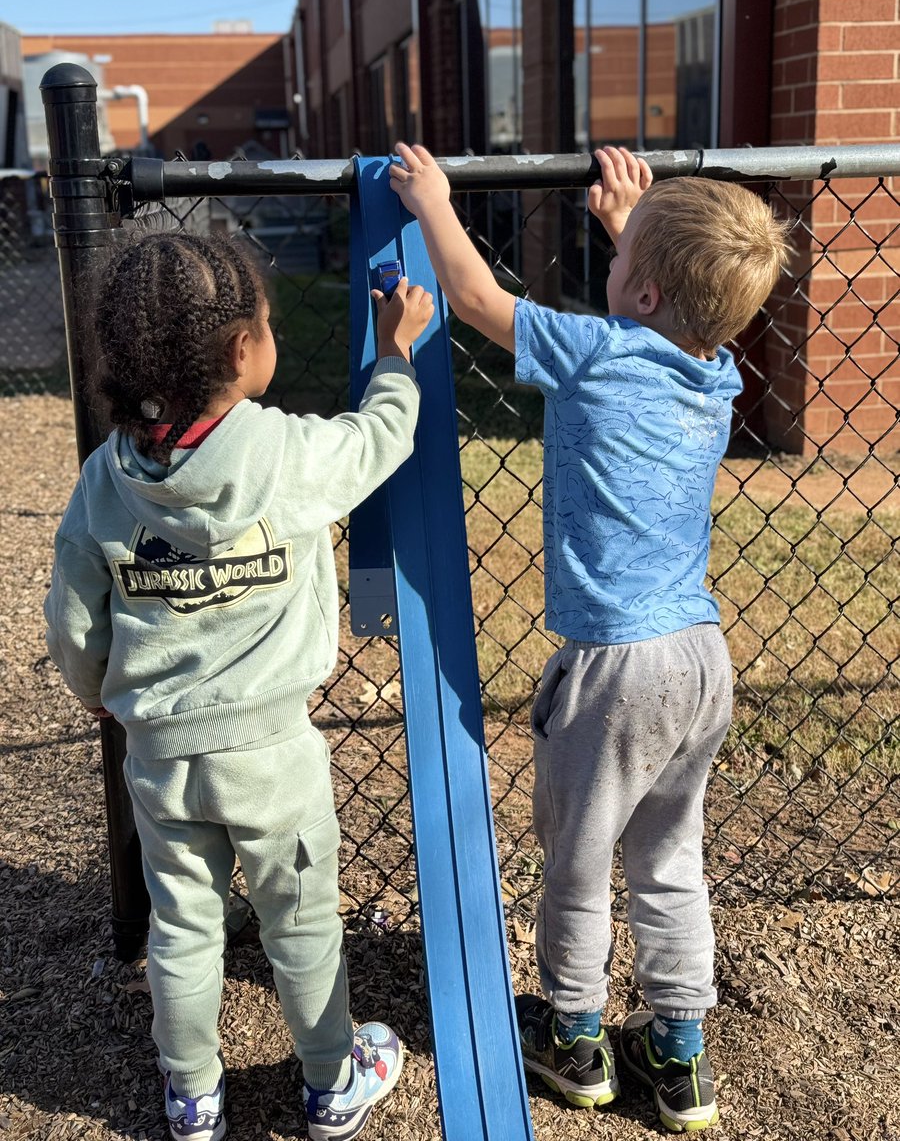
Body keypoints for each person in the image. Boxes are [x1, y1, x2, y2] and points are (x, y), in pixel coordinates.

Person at [388, 142, 791, 1132]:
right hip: (700, 659)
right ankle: (679, 1056)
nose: (606, 269)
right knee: (668, 862)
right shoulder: (717, 377)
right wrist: (635, 234)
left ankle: (573, 1040)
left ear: (643, 295)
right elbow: (673, 314)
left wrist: (434, 202)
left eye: (619, 263)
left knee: (575, 862)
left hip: (612, 665)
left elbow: (481, 301)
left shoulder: (600, 352)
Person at [44, 230, 434, 1141]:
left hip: (160, 755)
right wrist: (394, 352)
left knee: (182, 929)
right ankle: (334, 1083)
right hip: (273, 758)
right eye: (263, 322)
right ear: (239, 351)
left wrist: (98, 687)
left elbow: (72, 619)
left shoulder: (106, 479)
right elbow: (380, 439)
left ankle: (192, 1097)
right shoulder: (280, 455)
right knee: (301, 922)